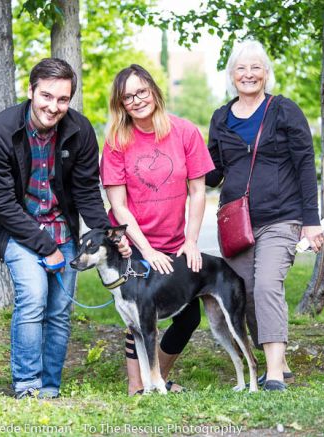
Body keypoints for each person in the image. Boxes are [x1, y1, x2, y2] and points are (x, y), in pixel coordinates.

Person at [0, 58, 130, 399]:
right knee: (34, 298)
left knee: (60, 311)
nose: (53, 107)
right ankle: (27, 386)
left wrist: (110, 235)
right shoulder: (1, 131)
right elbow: (2, 203)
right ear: (31, 91)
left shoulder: (79, 131)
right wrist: (45, 247)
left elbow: (87, 192)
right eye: (46, 96)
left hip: (63, 231)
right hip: (19, 231)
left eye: (62, 99)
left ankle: (50, 387)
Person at [206, 40, 324, 391]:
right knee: (246, 289)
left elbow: (305, 166)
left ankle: (272, 374)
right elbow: (213, 172)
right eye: (241, 68)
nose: (249, 74)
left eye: (256, 67)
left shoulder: (284, 111)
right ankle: (279, 359)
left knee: (268, 283)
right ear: (231, 75)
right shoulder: (221, 117)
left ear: (266, 73)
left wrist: (312, 220)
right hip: (236, 222)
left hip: (281, 217)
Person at [100, 64, 215, 395]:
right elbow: (118, 205)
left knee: (188, 317)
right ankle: (136, 387)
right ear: (120, 104)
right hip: (133, 244)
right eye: (127, 97)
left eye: (141, 91)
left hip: (176, 242)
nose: (136, 100)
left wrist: (191, 241)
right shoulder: (116, 141)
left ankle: (157, 378)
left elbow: (197, 191)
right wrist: (146, 251)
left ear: (154, 90)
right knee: (138, 312)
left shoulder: (185, 132)